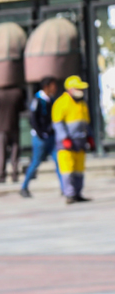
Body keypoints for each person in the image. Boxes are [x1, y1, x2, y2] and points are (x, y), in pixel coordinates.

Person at [52, 75, 94, 204]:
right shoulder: (61, 103)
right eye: (78, 88)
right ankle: (69, 194)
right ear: (70, 89)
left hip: (80, 142)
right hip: (67, 144)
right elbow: (58, 123)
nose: (80, 91)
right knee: (68, 170)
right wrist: (64, 138)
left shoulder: (82, 103)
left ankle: (78, 193)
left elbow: (86, 122)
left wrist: (90, 137)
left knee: (79, 169)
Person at [20, 76, 62, 198]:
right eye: (53, 85)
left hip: (51, 138)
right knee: (35, 163)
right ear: (46, 87)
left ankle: (65, 188)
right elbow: (33, 119)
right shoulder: (37, 100)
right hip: (40, 138)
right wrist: (40, 133)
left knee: (59, 162)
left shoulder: (52, 100)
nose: (55, 88)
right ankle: (24, 186)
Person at [0, 85, 25, 183]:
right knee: (15, 152)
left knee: (1, 152)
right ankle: (14, 174)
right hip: (14, 125)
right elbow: (22, 107)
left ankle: (1, 175)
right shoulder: (17, 92)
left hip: (2, 126)